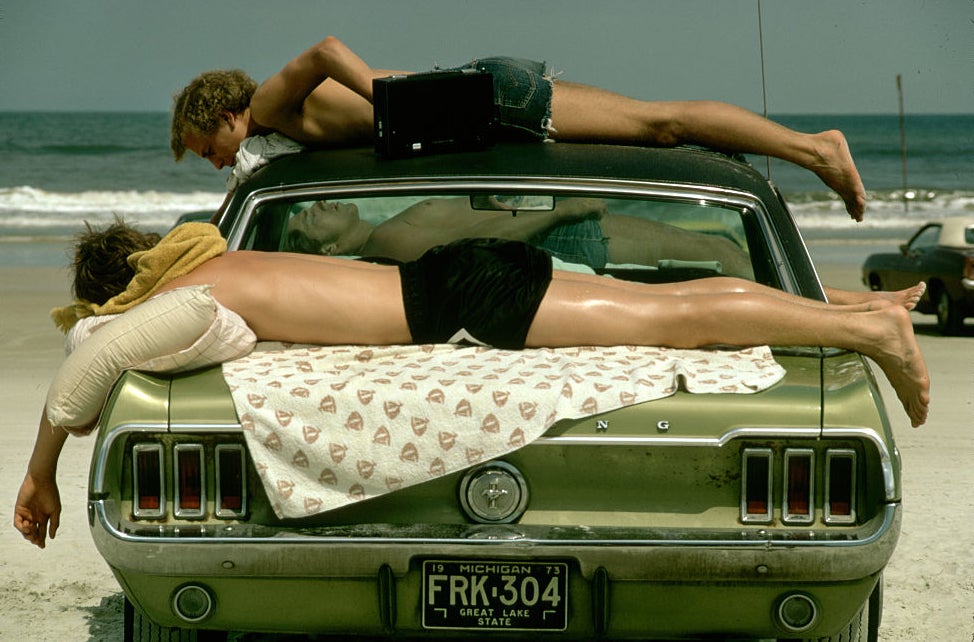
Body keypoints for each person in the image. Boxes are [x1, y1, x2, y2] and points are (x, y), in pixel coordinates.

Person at [14, 222, 931, 547]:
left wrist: (41, 470)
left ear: (116, 291)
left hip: (462, 300)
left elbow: (95, 365)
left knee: (676, 318)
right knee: (670, 301)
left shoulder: (186, 296)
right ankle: (850, 303)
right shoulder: (220, 263)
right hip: (456, 278)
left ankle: (871, 327)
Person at [169, 36, 867, 220]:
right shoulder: (274, 142)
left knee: (661, 124)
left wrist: (389, 97)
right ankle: (799, 150)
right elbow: (251, 189)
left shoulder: (264, 106)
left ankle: (814, 150)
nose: (215, 161)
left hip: (491, 102)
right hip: (486, 99)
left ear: (225, 115)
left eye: (208, 148)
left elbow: (321, 50)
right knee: (664, 134)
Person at [282, 197, 926, 308]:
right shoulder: (390, 240)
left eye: (312, 206)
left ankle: (850, 305)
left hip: (558, 238)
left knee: (716, 264)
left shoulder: (388, 229)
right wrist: (559, 210)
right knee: (724, 254)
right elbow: (489, 240)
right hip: (563, 238)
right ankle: (845, 309)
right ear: (334, 248)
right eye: (311, 221)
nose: (317, 210)